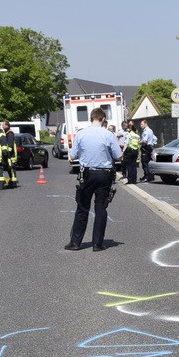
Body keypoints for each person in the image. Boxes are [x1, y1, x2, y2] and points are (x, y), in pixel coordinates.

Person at [66, 107, 122, 252]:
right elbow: (118, 156)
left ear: (91, 118)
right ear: (103, 119)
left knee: (82, 208)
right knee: (100, 208)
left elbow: (72, 156)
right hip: (104, 175)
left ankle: (75, 243)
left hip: (86, 174)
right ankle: (97, 244)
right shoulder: (108, 134)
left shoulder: (81, 134)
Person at [0, 121, 18, 188]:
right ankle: (12, 182)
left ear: (7, 125)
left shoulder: (10, 134)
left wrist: (6, 153)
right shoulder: (7, 133)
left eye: (3, 125)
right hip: (9, 155)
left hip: (11, 156)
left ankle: (13, 183)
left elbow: (10, 146)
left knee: (12, 170)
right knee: (9, 169)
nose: (2, 126)